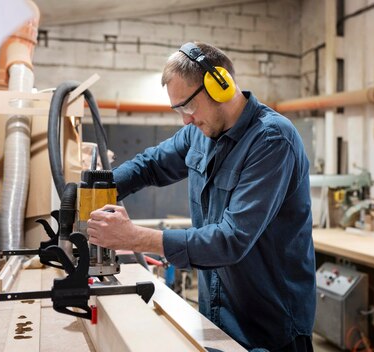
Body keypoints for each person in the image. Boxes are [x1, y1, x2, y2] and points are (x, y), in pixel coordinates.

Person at [87, 42, 316, 351]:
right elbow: (150, 166)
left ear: (220, 86)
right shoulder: (201, 131)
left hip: (269, 326)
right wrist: (93, 189)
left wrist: (134, 238)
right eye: (178, 109)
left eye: (187, 106)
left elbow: (231, 240)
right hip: (218, 316)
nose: (185, 119)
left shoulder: (271, 140)